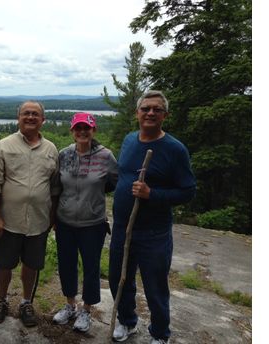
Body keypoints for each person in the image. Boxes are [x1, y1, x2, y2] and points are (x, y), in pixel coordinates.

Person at [109, 90, 196, 344]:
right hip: (123, 228)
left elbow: (187, 191)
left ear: (164, 115)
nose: (150, 113)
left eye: (156, 109)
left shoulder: (174, 149)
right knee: (118, 279)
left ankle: (160, 334)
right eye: (145, 108)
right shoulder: (129, 140)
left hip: (154, 233)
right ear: (137, 113)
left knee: (155, 286)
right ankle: (127, 322)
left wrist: (152, 194)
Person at [0, 100, 60, 327]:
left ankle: (27, 302)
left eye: (35, 114)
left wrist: (53, 216)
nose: (30, 117)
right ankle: (2, 300)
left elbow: (55, 187)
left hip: (39, 220)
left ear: (42, 120)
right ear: (18, 118)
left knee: (31, 264)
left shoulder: (51, 149)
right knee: (4, 264)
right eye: (26, 113)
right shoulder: (3, 146)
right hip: (8, 220)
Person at [51, 113, 118, 332]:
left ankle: (86, 310)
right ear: (72, 131)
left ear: (93, 130)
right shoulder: (64, 154)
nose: (82, 132)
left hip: (93, 223)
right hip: (65, 221)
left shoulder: (106, 156)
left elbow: (113, 182)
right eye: (77, 128)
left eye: (86, 128)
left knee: (91, 267)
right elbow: (57, 186)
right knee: (66, 264)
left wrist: (92, 200)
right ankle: (70, 305)